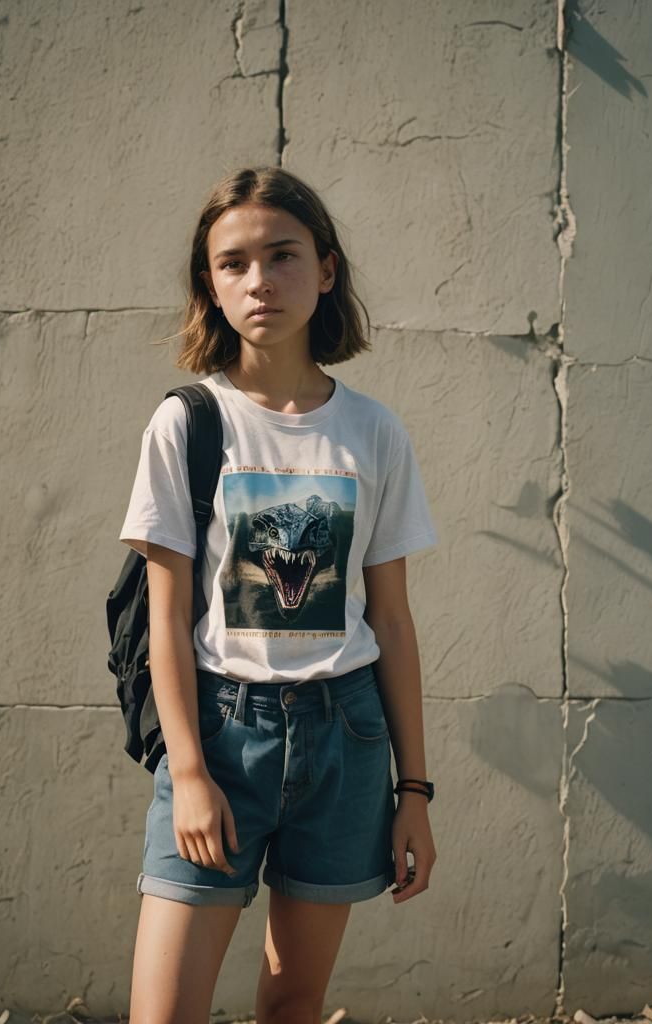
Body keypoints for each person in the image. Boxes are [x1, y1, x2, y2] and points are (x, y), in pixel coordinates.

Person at [118, 165, 439, 1024]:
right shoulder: (188, 423)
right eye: (234, 263)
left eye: (283, 255)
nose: (260, 280)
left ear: (326, 270)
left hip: (347, 737)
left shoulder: (373, 431)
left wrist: (414, 791)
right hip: (222, 734)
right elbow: (165, 619)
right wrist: (189, 771)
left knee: (294, 1001)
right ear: (210, 285)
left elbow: (392, 620)